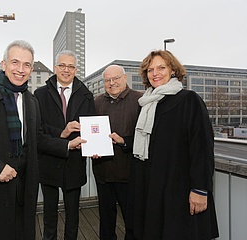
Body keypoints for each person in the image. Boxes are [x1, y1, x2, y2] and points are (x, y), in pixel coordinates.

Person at [0, 40, 85, 240]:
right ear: (3, 65)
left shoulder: (30, 101)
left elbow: (36, 138)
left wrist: (67, 144)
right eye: (15, 62)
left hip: (20, 191)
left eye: (27, 65)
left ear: (31, 69)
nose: (20, 69)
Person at [132, 50, 219, 240]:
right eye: (150, 70)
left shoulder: (189, 100)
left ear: (172, 70)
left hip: (179, 189)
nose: (155, 73)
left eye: (161, 67)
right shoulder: (146, 104)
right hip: (153, 188)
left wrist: (200, 189)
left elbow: (202, 148)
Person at [34, 50, 95, 240]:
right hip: (49, 162)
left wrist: (95, 147)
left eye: (70, 66)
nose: (66, 70)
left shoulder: (86, 95)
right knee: (49, 215)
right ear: (55, 68)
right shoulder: (40, 94)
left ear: (76, 70)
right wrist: (63, 132)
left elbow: (92, 126)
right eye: (62, 65)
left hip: (75, 163)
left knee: (73, 215)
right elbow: (39, 130)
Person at [92, 65, 142, 240]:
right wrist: (92, 148)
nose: (111, 83)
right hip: (102, 172)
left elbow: (148, 138)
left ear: (125, 78)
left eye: (116, 79)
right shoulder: (96, 102)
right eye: (107, 80)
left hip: (128, 173)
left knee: (133, 222)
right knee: (106, 220)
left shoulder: (140, 100)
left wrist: (124, 141)